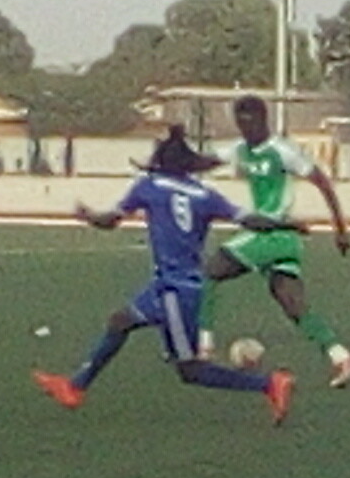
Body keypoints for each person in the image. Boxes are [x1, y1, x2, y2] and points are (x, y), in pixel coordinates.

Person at [33, 127, 295, 422]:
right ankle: (74, 387)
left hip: (176, 290)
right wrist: (284, 224)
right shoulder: (206, 196)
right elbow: (250, 220)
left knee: (190, 370)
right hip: (173, 285)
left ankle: (269, 384)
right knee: (120, 322)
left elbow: (110, 221)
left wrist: (88, 216)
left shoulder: (149, 185)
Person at [199, 95, 350, 389]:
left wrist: (340, 228)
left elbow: (322, 181)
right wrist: (164, 162)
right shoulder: (240, 150)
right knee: (293, 304)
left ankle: (204, 347)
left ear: (264, 120)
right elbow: (204, 160)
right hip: (279, 239)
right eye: (241, 123)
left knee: (209, 271)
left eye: (250, 122)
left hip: (272, 234)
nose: (245, 128)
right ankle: (342, 356)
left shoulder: (283, 151)